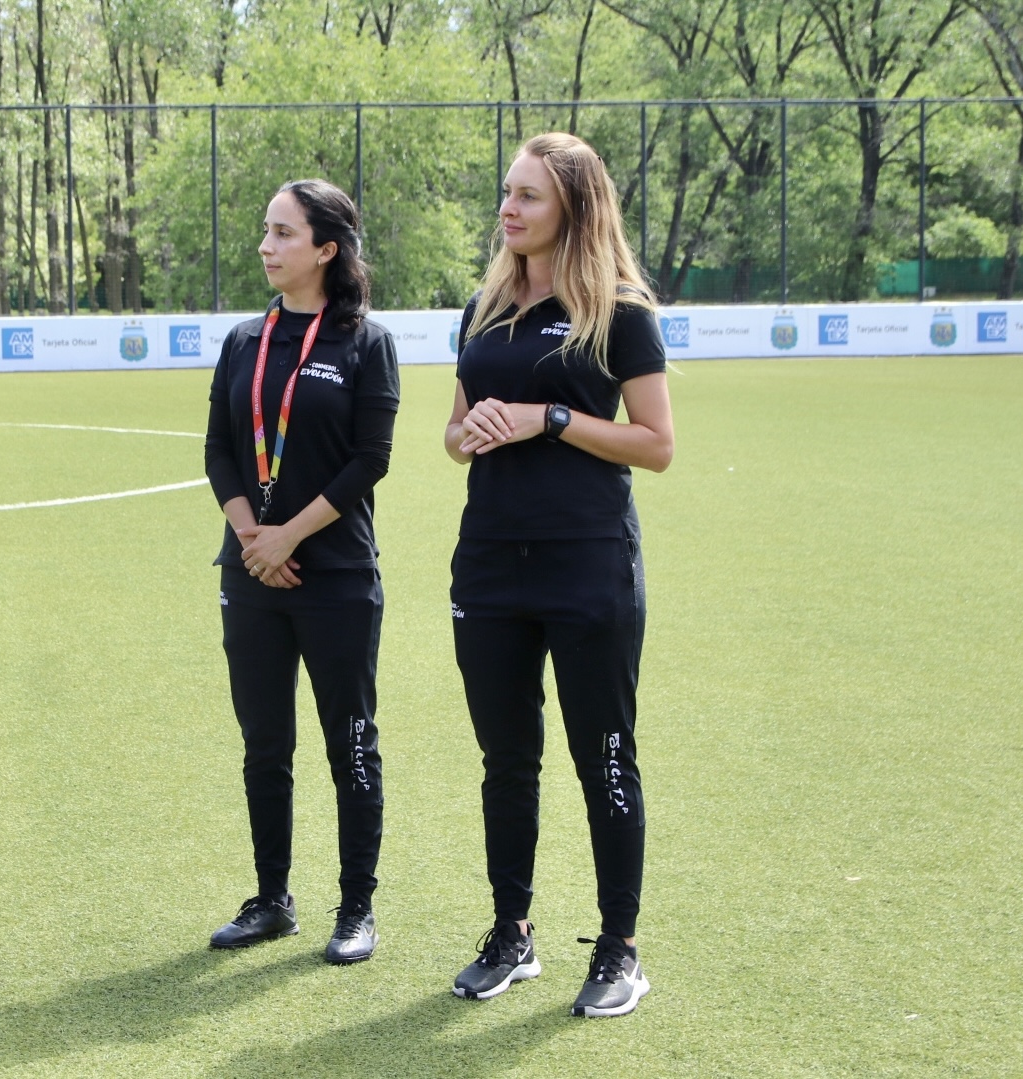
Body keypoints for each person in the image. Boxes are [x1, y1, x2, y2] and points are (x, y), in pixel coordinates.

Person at [443, 132, 673, 1017]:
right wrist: (475, 432)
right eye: (507, 191)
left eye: (529, 195)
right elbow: (454, 435)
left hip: (588, 567)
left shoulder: (620, 311)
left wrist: (551, 417)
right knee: (508, 759)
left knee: (603, 756)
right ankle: (513, 932)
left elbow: (655, 446)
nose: (509, 208)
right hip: (492, 565)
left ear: (574, 206)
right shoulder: (483, 308)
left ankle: (619, 947)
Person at [203, 179, 400, 964]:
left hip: (337, 574)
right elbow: (219, 449)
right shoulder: (244, 341)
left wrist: (291, 536)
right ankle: (271, 898)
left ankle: (355, 908)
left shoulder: (364, 341)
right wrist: (255, 536)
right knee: (264, 743)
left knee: (349, 740)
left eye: (283, 233)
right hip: (250, 570)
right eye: (265, 231)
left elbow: (370, 459)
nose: (265, 245)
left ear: (326, 248)